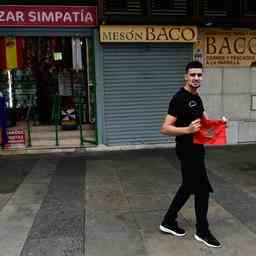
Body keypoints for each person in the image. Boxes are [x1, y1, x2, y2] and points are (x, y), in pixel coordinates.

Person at [159, 60, 221, 248]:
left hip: (197, 147)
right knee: (201, 189)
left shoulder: (197, 97)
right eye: (192, 74)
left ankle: (168, 221)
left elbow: (203, 120)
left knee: (188, 186)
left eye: (199, 75)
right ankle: (202, 231)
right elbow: (165, 128)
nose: (196, 78)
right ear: (186, 76)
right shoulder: (179, 98)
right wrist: (187, 129)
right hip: (186, 150)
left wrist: (218, 124)